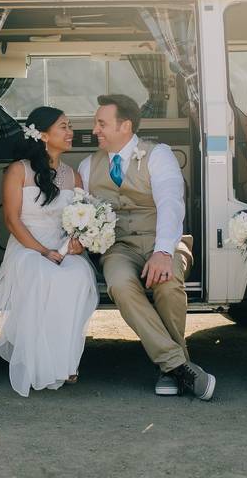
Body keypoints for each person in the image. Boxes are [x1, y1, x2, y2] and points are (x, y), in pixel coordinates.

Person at [78, 94, 215, 400]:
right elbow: (82, 210)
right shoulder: (89, 165)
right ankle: (178, 365)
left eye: (102, 123)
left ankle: (169, 368)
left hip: (163, 240)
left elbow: (170, 204)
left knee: (167, 285)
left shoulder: (158, 154)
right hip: (119, 248)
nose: (94, 130)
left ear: (125, 126)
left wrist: (164, 252)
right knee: (120, 285)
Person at [0, 107, 98, 396]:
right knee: (42, 275)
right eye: (63, 127)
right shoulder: (19, 170)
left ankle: (66, 361)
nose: (71, 133)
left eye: (69, 126)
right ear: (42, 135)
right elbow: (12, 220)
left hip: (61, 248)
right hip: (27, 247)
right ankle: (39, 362)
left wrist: (74, 243)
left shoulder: (73, 176)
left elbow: (78, 217)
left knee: (78, 276)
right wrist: (42, 251)